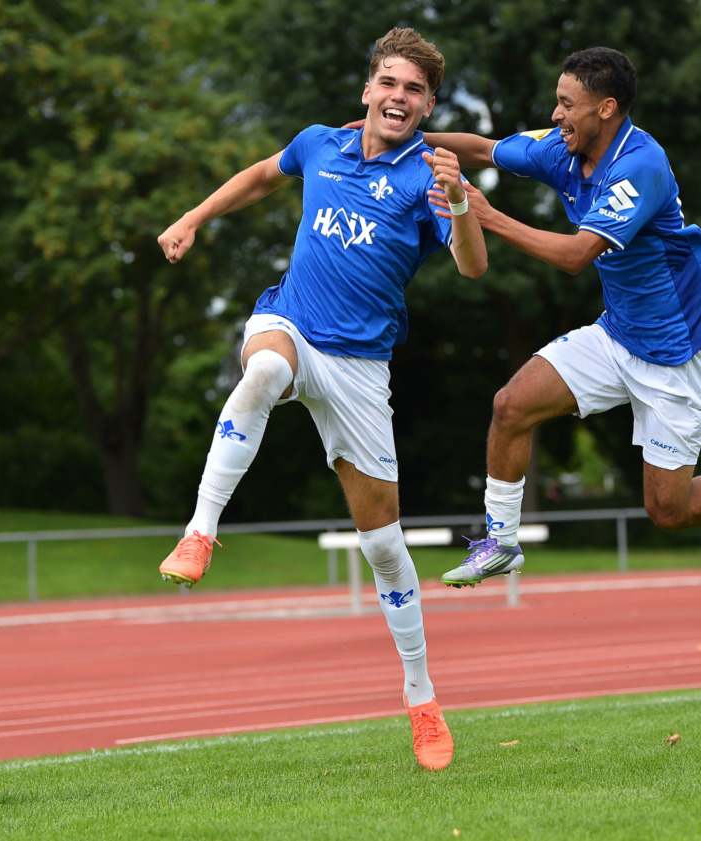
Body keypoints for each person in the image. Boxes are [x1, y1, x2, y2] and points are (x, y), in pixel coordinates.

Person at [155, 28, 487, 771]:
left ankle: (422, 697)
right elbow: (260, 176)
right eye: (389, 82)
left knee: (384, 548)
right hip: (291, 326)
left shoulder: (429, 177)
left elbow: (472, 267)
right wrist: (192, 218)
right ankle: (200, 532)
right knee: (263, 374)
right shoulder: (319, 144)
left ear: (428, 107)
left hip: (361, 371)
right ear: (368, 90)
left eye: (414, 90)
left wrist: (462, 204)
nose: (398, 97)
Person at [424, 46, 701, 588]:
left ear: (606, 108)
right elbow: (482, 149)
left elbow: (578, 255)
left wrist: (487, 216)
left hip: (679, 359)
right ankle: (501, 544)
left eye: (566, 103)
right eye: (557, 101)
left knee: (667, 511)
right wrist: (404, 137)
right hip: (618, 336)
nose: (556, 114)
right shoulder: (562, 148)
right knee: (510, 406)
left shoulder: (640, 165)